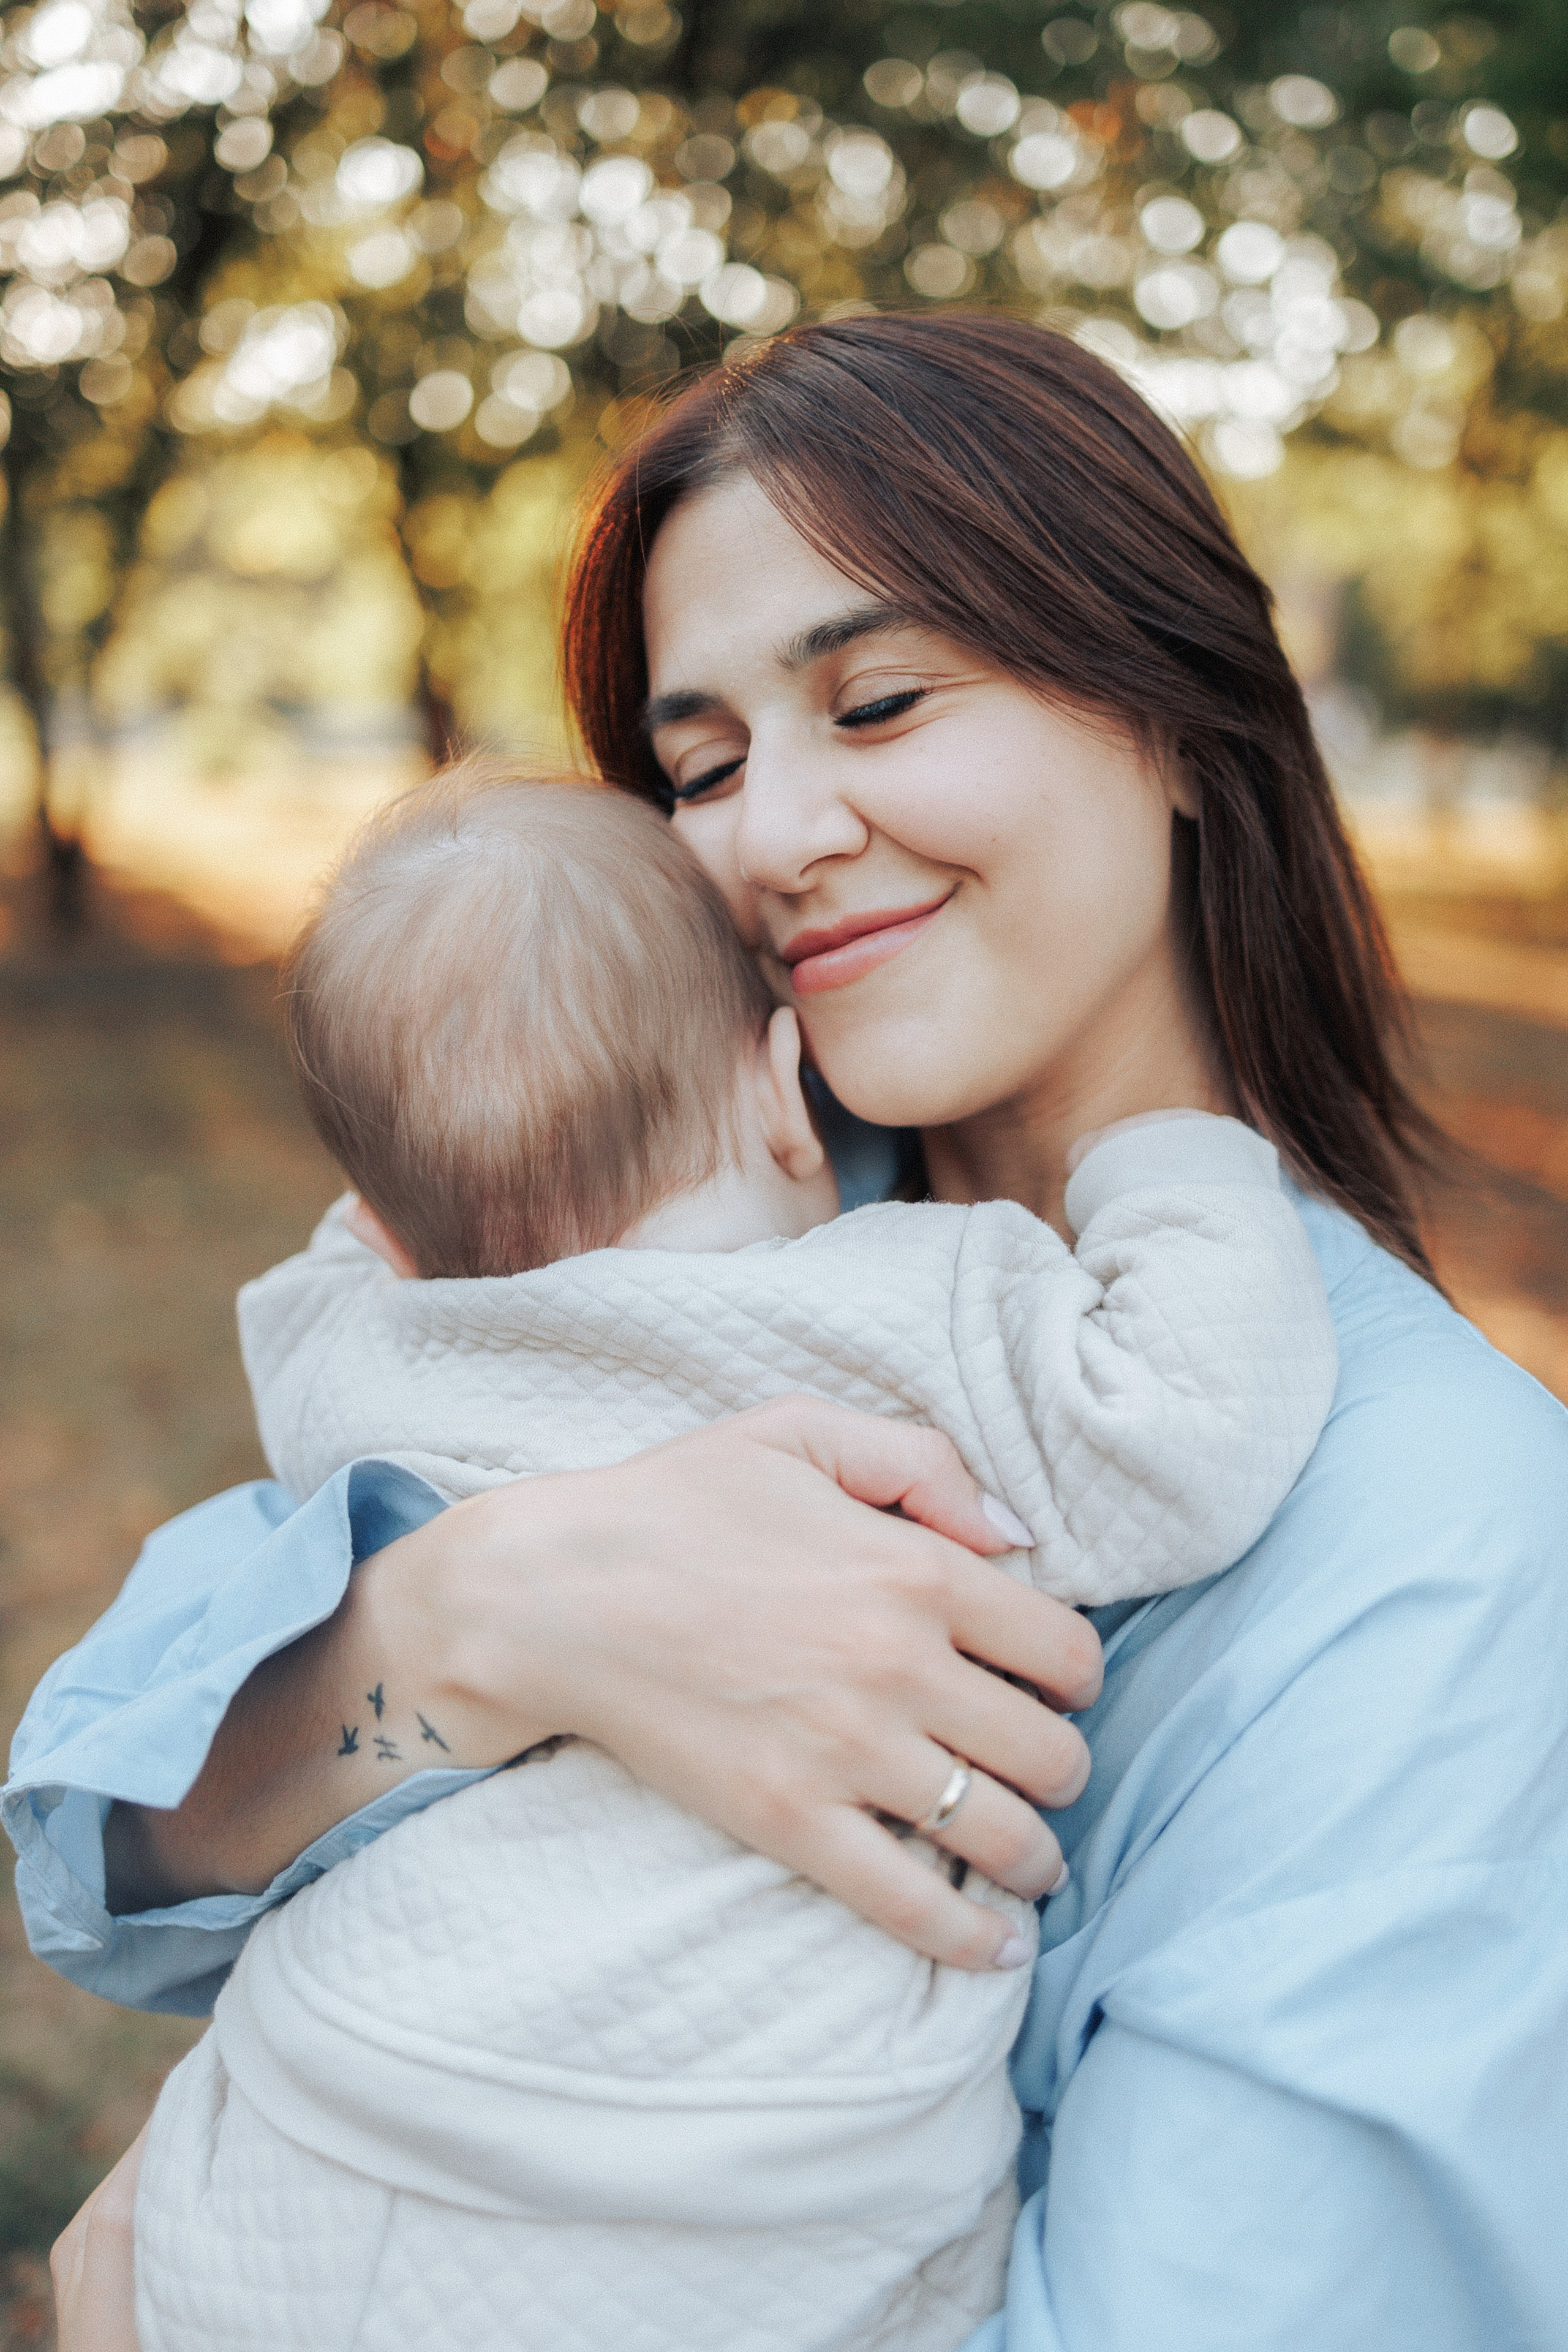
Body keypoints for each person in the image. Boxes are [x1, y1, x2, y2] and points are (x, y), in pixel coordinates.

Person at [10, 313, 1568, 2352]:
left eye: (885, 700)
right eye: (705, 765)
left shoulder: (1442, 1560)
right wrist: (490, 1624)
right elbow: (105, 1841)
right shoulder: (683, 1229)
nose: (772, 833)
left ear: (1179, 714)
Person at [132, 765, 1333, 2352]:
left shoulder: (362, 1354)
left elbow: (312, 1291)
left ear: (384, 1236)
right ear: (783, 1083)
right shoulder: (920, 1312)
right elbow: (1195, 1426)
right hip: (743, 2207)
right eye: (702, 762)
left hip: (294, 2168)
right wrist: (1167, 1154)